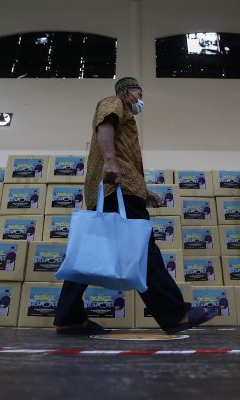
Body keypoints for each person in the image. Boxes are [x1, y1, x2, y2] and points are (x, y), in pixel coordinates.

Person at [54, 77, 216, 335]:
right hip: (118, 187)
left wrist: (145, 192)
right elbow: (104, 123)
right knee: (142, 249)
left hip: (117, 188)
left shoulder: (126, 116)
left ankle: (68, 317)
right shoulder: (114, 102)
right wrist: (110, 161)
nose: (141, 99)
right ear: (127, 92)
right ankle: (175, 315)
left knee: (89, 252)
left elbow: (125, 155)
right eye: (139, 93)